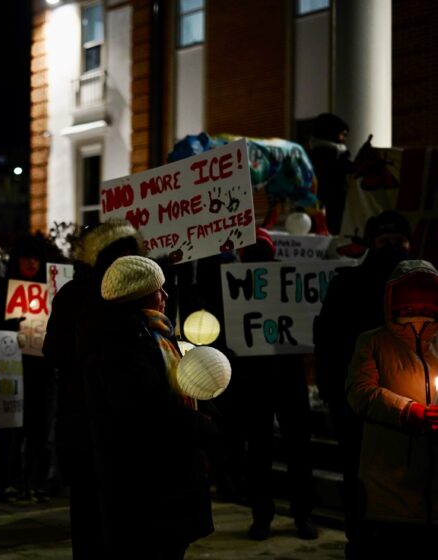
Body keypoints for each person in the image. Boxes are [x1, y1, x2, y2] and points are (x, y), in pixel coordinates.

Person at [79, 255, 217, 558]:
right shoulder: (124, 345)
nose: (165, 297)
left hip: (161, 483)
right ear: (138, 295)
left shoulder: (153, 336)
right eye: (159, 290)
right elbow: (149, 412)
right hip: (145, 487)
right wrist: (204, 428)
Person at [43, 219, 144, 558]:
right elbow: (54, 351)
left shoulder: (139, 296)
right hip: (84, 417)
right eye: (118, 255)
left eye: (131, 255)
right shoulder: (76, 295)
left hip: (127, 422)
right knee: (88, 511)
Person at [314, 209, 412, 558]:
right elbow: (326, 339)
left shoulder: (421, 287)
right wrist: (332, 391)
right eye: (386, 243)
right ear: (372, 244)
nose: (394, 249)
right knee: (358, 473)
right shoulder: (347, 284)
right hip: (356, 403)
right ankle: (362, 540)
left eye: (400, 243)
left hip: (409, 403)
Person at [346, 259, 438, 556]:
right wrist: (409, 411)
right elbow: (359, 391)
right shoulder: (373, 342)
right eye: (410, 297)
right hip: (390, 474)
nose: (418, 305)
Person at [233, 228, 318, 541]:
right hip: (254, 379)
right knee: (260, 452)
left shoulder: (287, 278)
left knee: (296, 449)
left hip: (287, 375)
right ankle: (265, 517)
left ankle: (300, 515)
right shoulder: (233, 282)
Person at [0, 233, 55, 502]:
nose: (32, 263)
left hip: (43, 369)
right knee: (11, 429)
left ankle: (37, 481)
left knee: (41, 428)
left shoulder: (53, 291)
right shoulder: (1, 292)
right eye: (27, 257)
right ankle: (11, 481)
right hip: (11, 367)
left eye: (36, 258)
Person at [308, 113, 352, 235]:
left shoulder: (309, 158)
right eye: (343, 134)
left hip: (312, 219)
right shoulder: (334, 159)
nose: (344, 139)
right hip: (332, 218)